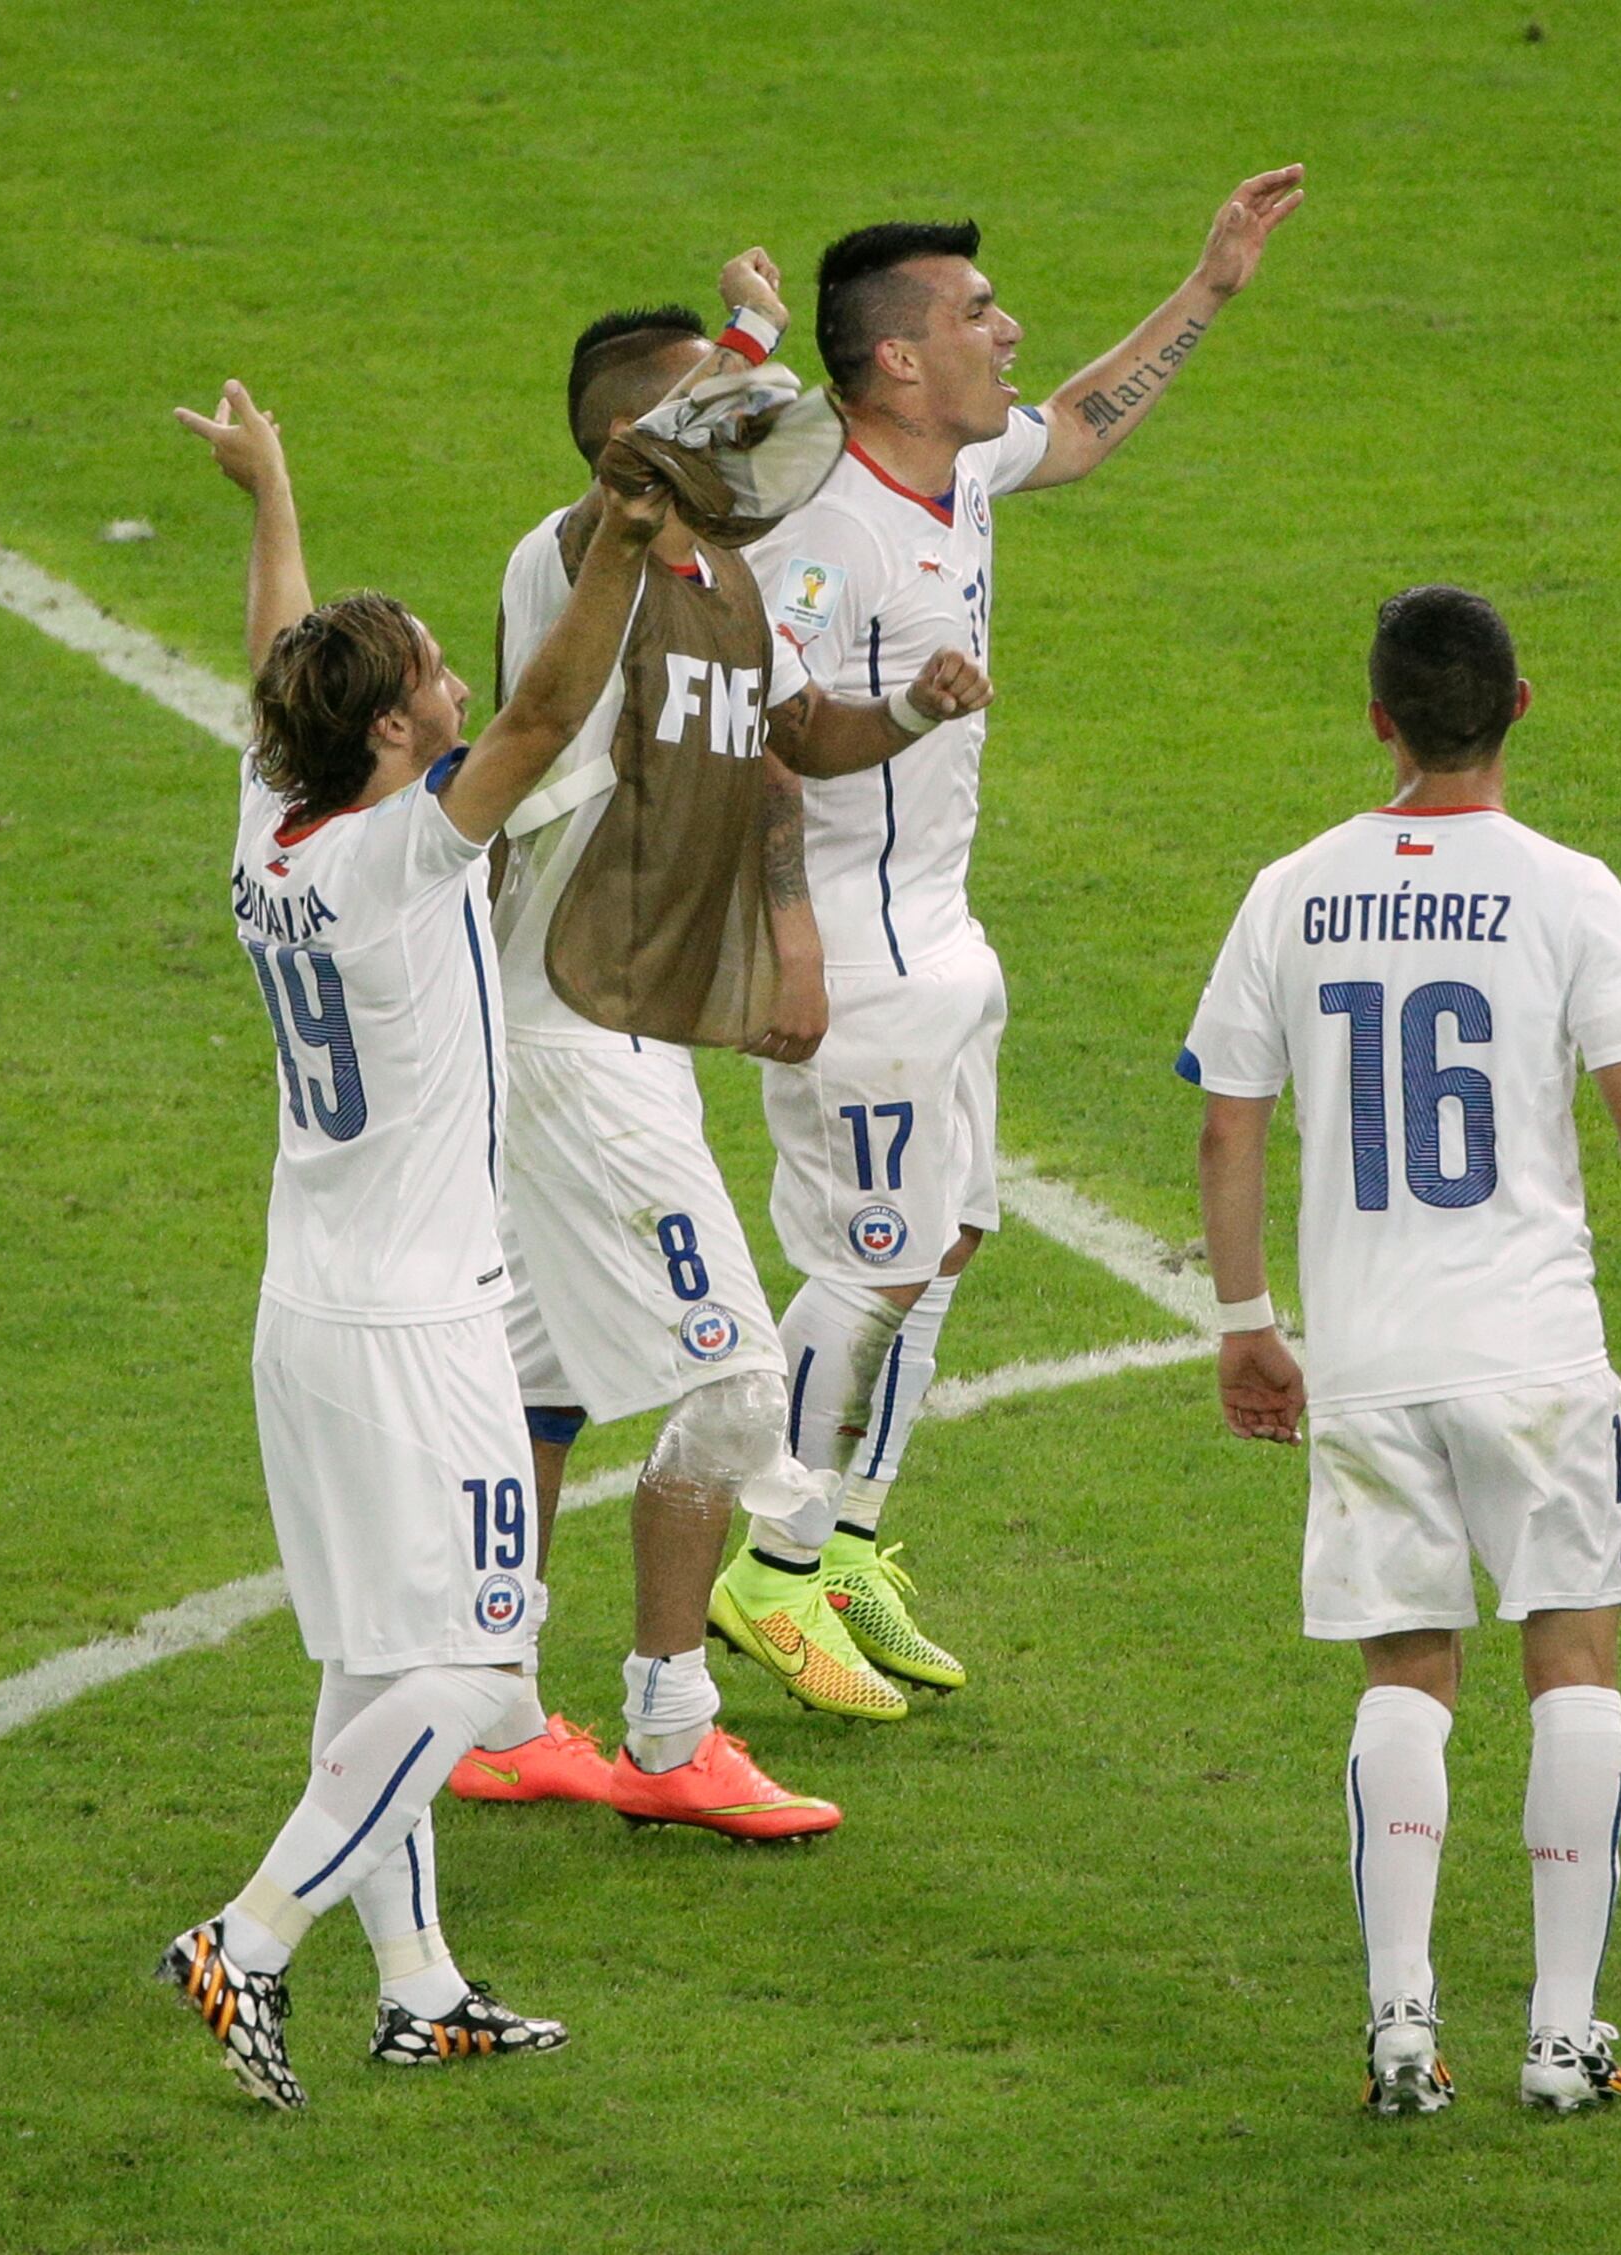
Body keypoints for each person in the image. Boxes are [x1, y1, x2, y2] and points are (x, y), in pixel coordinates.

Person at [1180, 585, 1621, 2115]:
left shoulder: (1290, 890)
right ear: (1521, 704)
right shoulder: (1571, 890)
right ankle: (1564, 2039)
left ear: (1377, 718)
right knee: (1572, 1654)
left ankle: (1397, 2030)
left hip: (1369, 1357)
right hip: (1536, 1355)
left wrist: (1249, 1325)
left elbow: (1227, 1126)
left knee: (1404, 1676)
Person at [156, 378, 664, 2105]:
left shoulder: (274, 821)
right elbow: (546, 707)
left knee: (375, 1657)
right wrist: (628, 553)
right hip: (418, 1331)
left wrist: (269, 489)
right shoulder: (401, 856)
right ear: (389, 741)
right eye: (427, 676)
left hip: (310, 1310)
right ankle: (251, 1937)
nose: (454, 690)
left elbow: (284, 649)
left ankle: (418, 1981)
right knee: (480, 1665)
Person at [738, 168, 1304, 1686]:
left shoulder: (960, 475)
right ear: (899, 362)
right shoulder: (822, 534)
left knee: (950, 1238)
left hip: (942, 931)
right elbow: (765, 737)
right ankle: (768, 1564)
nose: (1008, 329)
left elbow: (1084, 423)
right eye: (976, 313)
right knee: (872, 1261)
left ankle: (848, 1539)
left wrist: (1210, 288)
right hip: (850, 954)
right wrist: (794, 937)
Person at [458, 253, 995, 1838]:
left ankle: (493, 1710)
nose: (765, 422)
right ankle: (670, 1729)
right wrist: (750, 332)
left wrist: (904, 717)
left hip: (639, 1031)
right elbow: (636, 467)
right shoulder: (575, 562)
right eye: (729, 403)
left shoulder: (729, 579)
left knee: (541, 1385)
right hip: (569, 1031)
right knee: (742, 1384)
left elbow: (795, 743)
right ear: (642, 440)